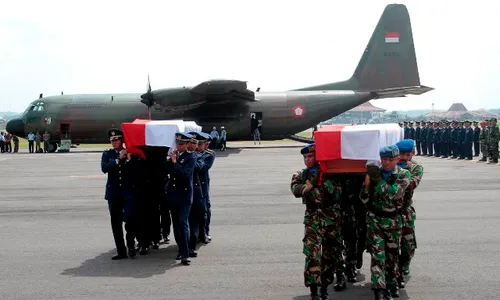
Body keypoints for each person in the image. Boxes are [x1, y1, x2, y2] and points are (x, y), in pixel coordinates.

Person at [291, 143, 346, 300]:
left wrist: (323, 178)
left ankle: (324, 287)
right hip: (312, 218)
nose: (307, 160)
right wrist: (311, 184)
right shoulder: (300, 174)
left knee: (330, 255)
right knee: (312, 255)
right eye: (305, 157)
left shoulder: (331, 174)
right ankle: (314, 290)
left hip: (331, 219)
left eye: (311, 156)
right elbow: (296, 190)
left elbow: (337, 193)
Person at [360, 145, 411, 300]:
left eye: (390, 159)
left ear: (397, 159)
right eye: (384, 159)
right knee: (378, 255)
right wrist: (367, 185)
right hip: (375, 220)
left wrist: (377, 181)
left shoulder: (403, 174)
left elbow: (394, 193)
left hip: (393, 221)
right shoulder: (374, 174)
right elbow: (363, 199)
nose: (387, 162)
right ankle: (379, 289)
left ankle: (391, 283)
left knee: (392, 255)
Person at [100, 128, 140, 260]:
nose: (114, 142)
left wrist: (128, 159)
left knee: (131, 221)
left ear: (122, 140)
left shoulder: (130, 153)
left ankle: (131, 244)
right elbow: (105, 168)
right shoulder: (108, 154)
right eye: (112, 140)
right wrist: (118, 159)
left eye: (116, 139)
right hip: (114, 194)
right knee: (116, 224)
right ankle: (121, 251)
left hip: (127, 193)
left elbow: (136, 171)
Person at [395, 139, 424, 289]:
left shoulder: (416, 168)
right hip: (390, 212)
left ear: (413, 153)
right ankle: (394, 270)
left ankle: (405, 263)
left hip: (406, 210)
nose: (404, 157)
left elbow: (411, 184)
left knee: (408, 243)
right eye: (401, 154)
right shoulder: (389, 165)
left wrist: (399, 172)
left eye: (408, 154)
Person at [165, 132, 196, 265]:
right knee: (176, 225)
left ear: (187, 144)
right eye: (177, 143)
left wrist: (175, 163)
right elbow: (166, 171)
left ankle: (185, 253)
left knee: (183, 224)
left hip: (184, 195)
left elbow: (185, 174)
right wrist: (168, 160)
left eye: (181, 144)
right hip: (173, 195)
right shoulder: (174, 156)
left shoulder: (191, 157)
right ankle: (180, 249)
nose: (179, 146)